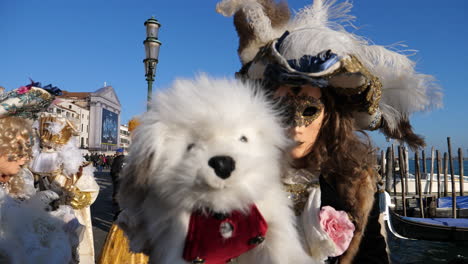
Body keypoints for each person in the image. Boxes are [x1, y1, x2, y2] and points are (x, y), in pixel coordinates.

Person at [217, 0, 441, 263]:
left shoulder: (352, 184)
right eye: (281, 110)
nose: (296, 126)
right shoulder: (230, 175)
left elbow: (372, 256)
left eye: (309, 110)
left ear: (328, 118)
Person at [0, 83, 80, 263]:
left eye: (27, 149)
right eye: (18, 149)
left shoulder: (16, 179)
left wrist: (50, 218)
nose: (25, 158)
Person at [30, 113, 100, 263]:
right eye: (44, 147)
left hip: (71, 221)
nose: (47, 150)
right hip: (42, 222)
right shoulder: (32, 166)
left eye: (51, 147)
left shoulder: (77, 170)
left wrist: (73, 196)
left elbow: (90, 192)